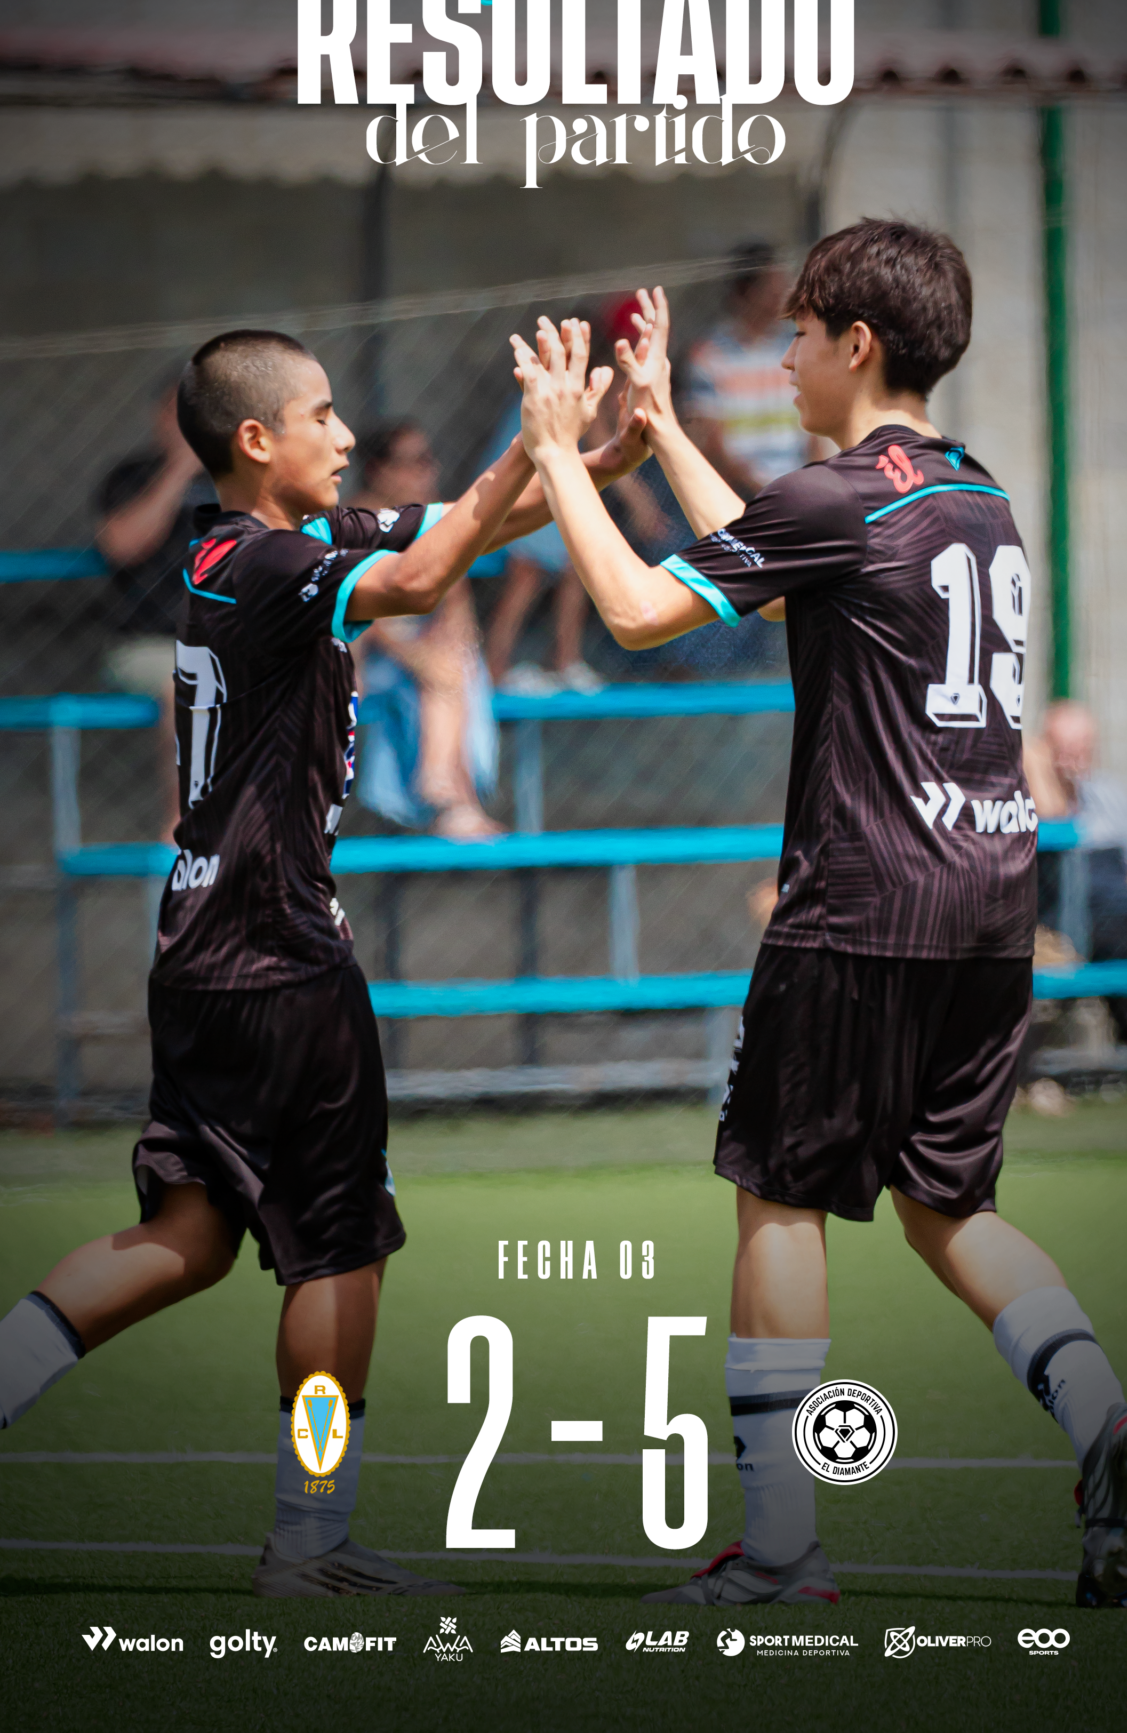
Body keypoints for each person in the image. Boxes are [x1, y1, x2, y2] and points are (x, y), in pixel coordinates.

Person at [511, 221, 1127, 1613]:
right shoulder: (976, 491)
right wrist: (664, 433)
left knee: (779, 1200)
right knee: (949, 1204)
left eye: (800, 334)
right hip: (990, 903)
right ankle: (1109, 1418)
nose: (785, 357)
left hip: (861, 902)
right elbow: (777, 554)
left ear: (856, 345)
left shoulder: (837, 494)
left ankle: (783, 1551)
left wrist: (558, 452)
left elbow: (636, 610)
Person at [0, 327, 650, 1599]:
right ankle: (311, 1538)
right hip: (280, 953)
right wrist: (541, 444)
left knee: (189, 1232)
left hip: (199, 942)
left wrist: (584, 462)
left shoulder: (237, 543)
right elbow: (424, 575)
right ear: (258, 439)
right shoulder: (281, 563)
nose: (347, 433)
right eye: (324, 414)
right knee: (337, 1248)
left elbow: (460, 524)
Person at [484, 305, 669, 695]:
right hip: (521, 484)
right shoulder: (581, 385)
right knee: (527, 574)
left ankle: (565, 662)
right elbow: (606, 448)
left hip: (538, 482)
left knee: (573, 568)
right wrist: (641, 504)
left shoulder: (566, 382)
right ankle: (495, 671)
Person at [352, 421, 501, 841]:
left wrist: (452, 642)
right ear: (379, 471)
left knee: (456, 663)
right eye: (414, 462)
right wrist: (421, 657)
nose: (428, 471)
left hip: (418, 655)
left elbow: (457, 603)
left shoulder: (430, 520)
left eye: (429, 460)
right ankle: (450, 798)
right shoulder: (358, 522)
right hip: (365, 655)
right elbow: (362, 614)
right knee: (442, 673)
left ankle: (446, 793)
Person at [96, 381, 217, 839]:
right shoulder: (131, 477)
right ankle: (186, 824)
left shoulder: (241, 478)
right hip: (150, 643)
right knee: (188, 678)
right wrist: (180, 470)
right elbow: (123, 545)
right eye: (178, 413)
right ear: (158, 418)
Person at [1027, 699, 1127, 1043]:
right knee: (1112, 941)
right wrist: (1038, 766)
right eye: (1063, 746)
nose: (1074, 757)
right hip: (1072, 923)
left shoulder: (1111, 794)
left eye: (1083, 746)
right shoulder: (1034, 796)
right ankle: (1125, 1033)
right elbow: (1053, 814)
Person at [682, 242, 820, 496]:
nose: (784, 291)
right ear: (746, 291)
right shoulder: (710, 355)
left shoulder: (796, 344)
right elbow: (712, 442)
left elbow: (815, 432)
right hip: (740, 493)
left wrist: (814, 483)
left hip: (799, 488)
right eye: (773, 284)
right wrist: (766, 493)